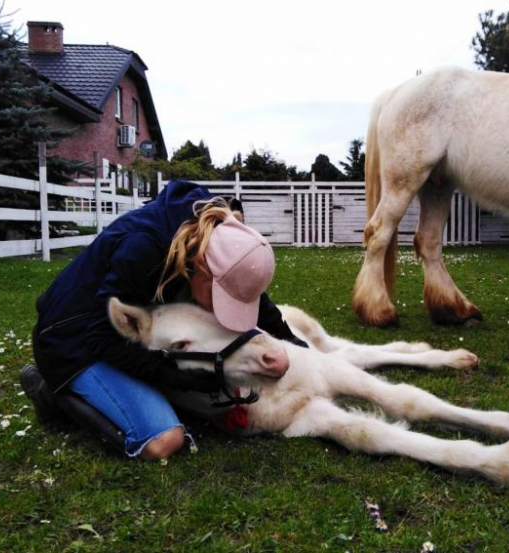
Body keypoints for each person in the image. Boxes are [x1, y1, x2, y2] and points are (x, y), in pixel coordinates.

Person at [22, 180, 304, 460]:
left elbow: (246, 288)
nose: (223, 308)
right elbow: (103, 337)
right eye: (222, 296)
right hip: (72, 340)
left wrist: (292, 341)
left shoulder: (215, 236)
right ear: (204, 267)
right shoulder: (144, 248)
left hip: (116, 329)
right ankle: (51, 394)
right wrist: (171, 373)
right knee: (165, 440)